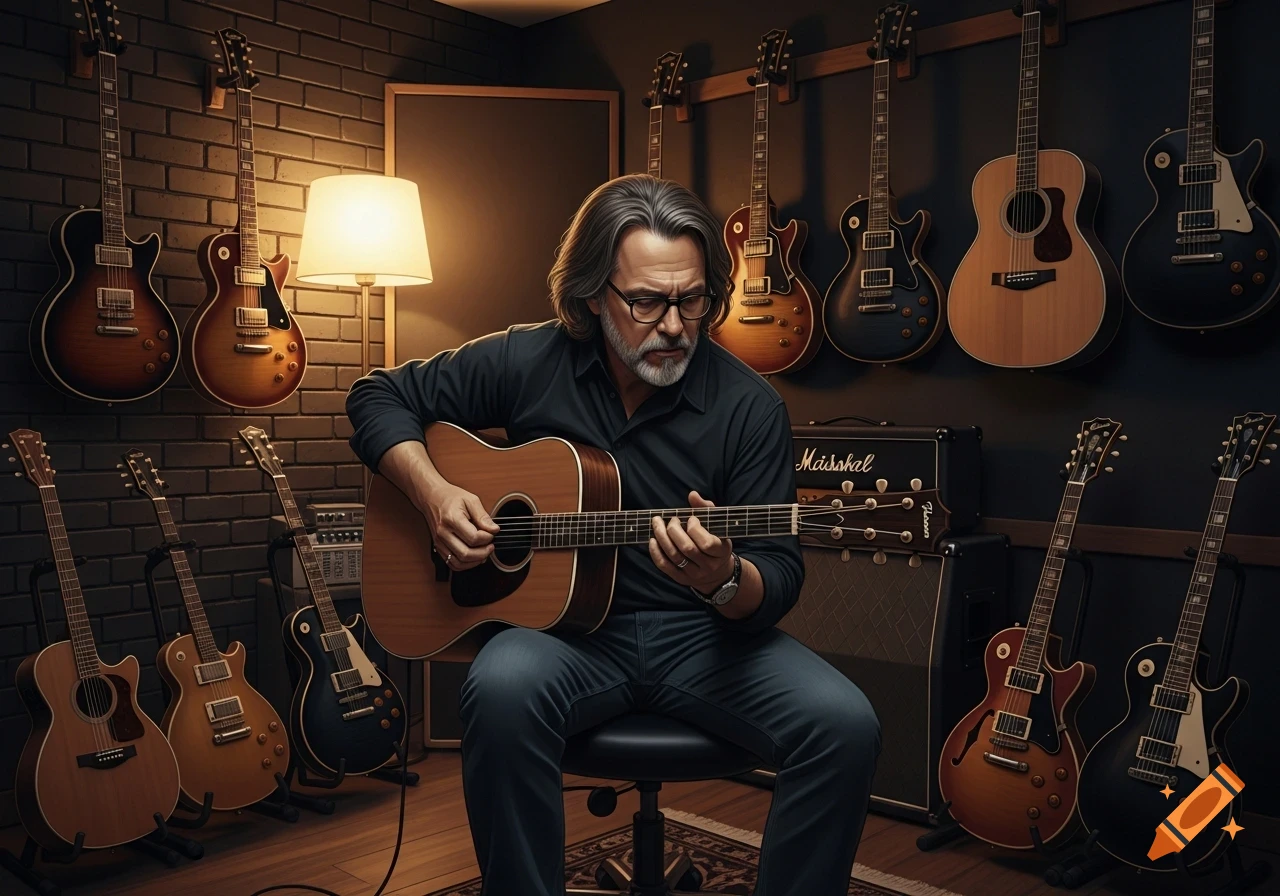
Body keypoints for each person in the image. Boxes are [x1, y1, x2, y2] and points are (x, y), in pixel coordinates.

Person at [346, 174, 881, 896]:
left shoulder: (750, 407)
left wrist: (726, 579)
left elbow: (779, 576)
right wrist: (434, 494)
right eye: (647, 302)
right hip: (563, 639)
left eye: (693, 300)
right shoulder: (526, 360)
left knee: (845, 725)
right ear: (593, 296)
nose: (674, 325)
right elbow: (376, 395)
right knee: (500, 688)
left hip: (702, 638)